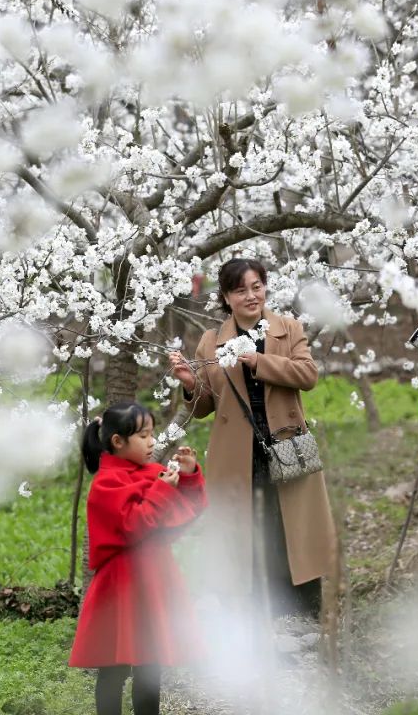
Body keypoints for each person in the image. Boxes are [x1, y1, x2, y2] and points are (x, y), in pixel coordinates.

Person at [168, 258, 337, 620]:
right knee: (249, 531)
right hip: (238, 452)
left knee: (292, 530)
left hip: (286, 444)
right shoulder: (211, 342)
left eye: (257, 286)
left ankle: (303, 613)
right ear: (226, 297)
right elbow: (205, 407)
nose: (251, 295)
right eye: (241, 289)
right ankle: (255, 615)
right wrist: (189, 385)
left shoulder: (288, 328)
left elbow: (307, 375)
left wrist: (258, 360)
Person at [69, 402, 208, 715]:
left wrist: (187, 477)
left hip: (154, 580)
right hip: (121, 587)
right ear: (118, 442)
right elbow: (133, 526)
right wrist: (161, 490)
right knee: (114, 667)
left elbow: (186, 512)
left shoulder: (151, 473)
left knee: (150, 663)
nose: (151, 442)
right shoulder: (105, 485)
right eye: (143, 435)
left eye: (152, 434)